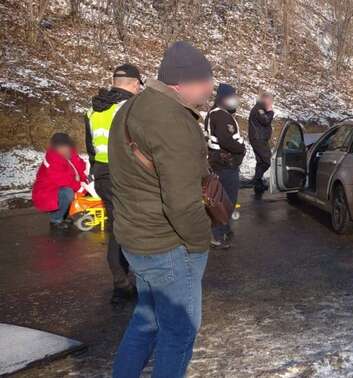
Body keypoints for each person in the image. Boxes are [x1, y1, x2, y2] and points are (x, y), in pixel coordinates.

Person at [109, 41, 213, 378]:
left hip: (136, 241)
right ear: (182, 82)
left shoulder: (131, 108)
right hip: (167, 246)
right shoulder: (172, 122)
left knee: (147, 323)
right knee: (178, 332)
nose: (211, 87)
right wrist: (200, 243)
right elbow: (182, 205)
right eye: (205, 80)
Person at [85, 63, 142, 305]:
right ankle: (129, 284)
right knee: (135, 229)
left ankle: (121, 283)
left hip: (103, 175)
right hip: (127, 174)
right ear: (135, 83)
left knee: (116, 229)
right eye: (140, 84)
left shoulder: (93, 110)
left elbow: (90, 146)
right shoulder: (130, 107)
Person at [205, 83, 245, 249]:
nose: (235, 100)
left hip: (220, 163)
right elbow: (226, 140)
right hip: (225, 164)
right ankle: (218, 235)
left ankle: (224, 229)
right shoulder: (221, 116)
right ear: (223, 98)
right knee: (225, 201)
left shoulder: (216, 114)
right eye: (232, 97)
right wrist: (241, 147)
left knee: (222, 199)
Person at [32, 133, 87, 230]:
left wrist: (85, 182)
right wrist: (80, 187)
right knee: (67, 193)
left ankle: (65, 215)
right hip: (48, 190)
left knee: (76, 192)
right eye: (60, 147)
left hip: (61, 187)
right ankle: (56, 220)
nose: (64, 149)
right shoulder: (53, 159)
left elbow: (80, 169)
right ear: (55, 147)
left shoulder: (71, 155)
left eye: (66, 146)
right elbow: (63, 180)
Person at [248, 91, 275, 198]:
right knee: (267, 161)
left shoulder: (260, 108)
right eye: (270, 100)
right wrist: (270, 111)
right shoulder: (259, 109)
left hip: (260, 138)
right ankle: (257, 179)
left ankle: (258, 183)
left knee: (260, 162)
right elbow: (265, 120)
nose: (271, 102)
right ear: (265, 99)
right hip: (258, 139)